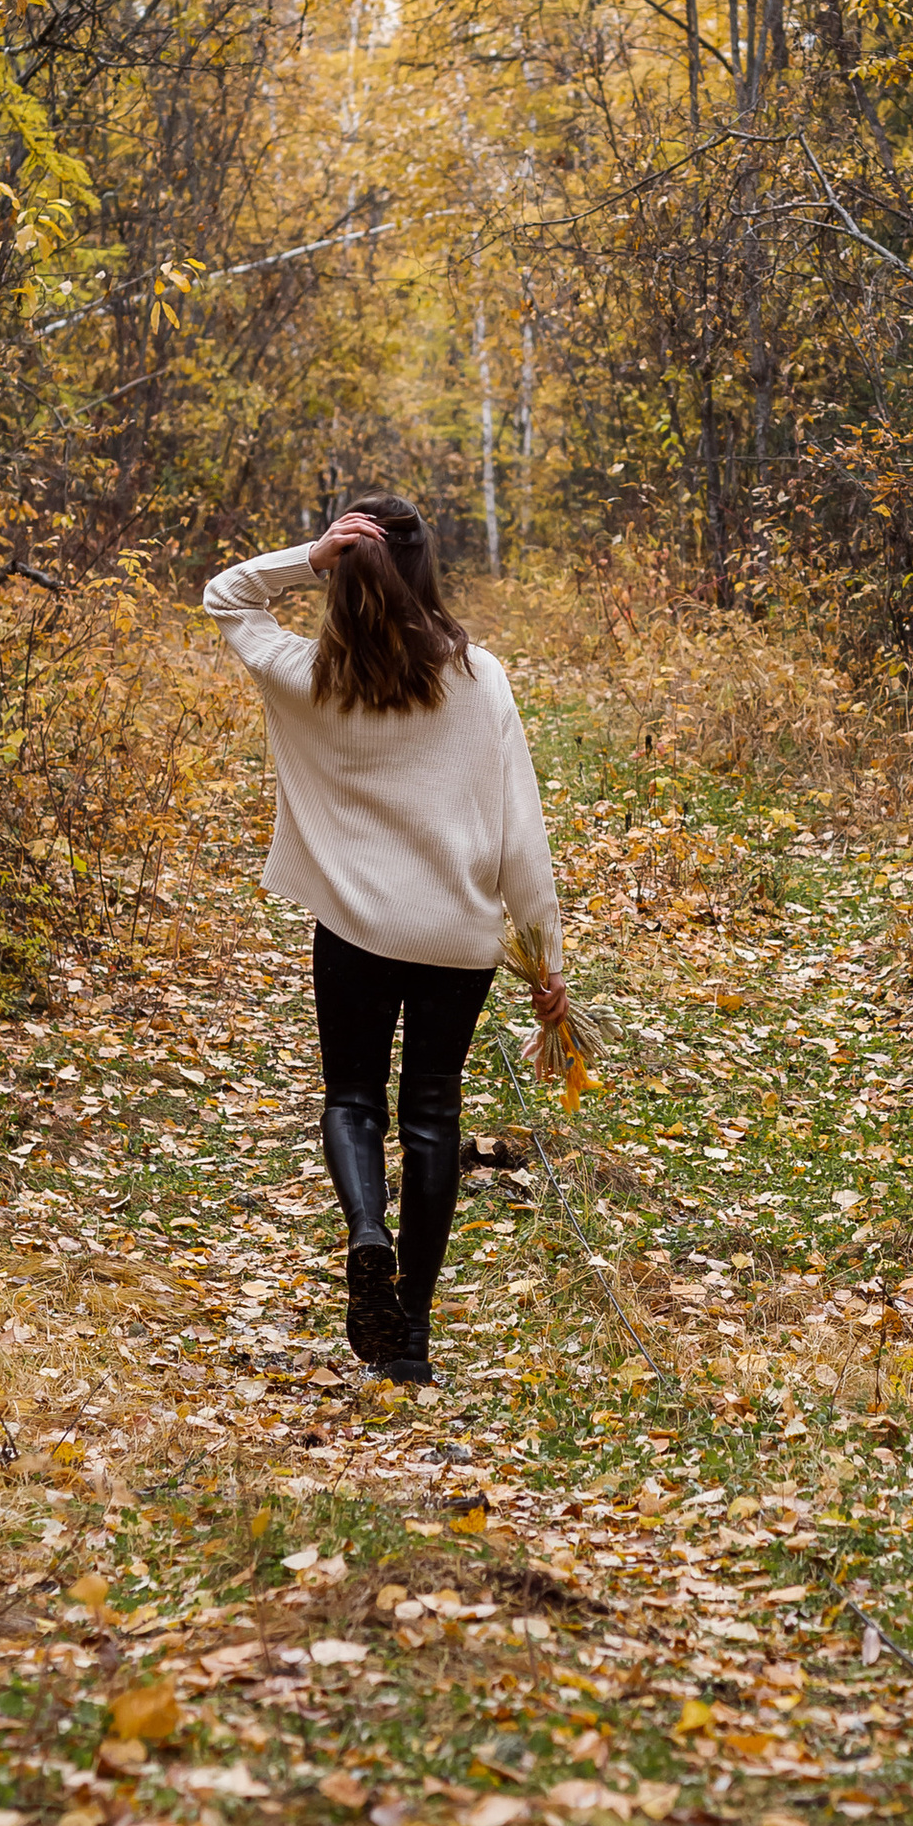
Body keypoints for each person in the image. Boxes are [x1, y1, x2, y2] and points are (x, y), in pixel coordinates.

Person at [202, 497, 567, 1384]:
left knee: (355, 1100)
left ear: (347, 569)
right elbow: (523, 832)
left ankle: (366, 1231)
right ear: (427, 568)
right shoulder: (482, 680)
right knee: (432, 1119)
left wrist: (314, 557)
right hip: (458, 936)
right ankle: (409, 1340)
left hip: (357, 927)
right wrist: (546, 960)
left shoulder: (312, 676)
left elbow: (227, 597)